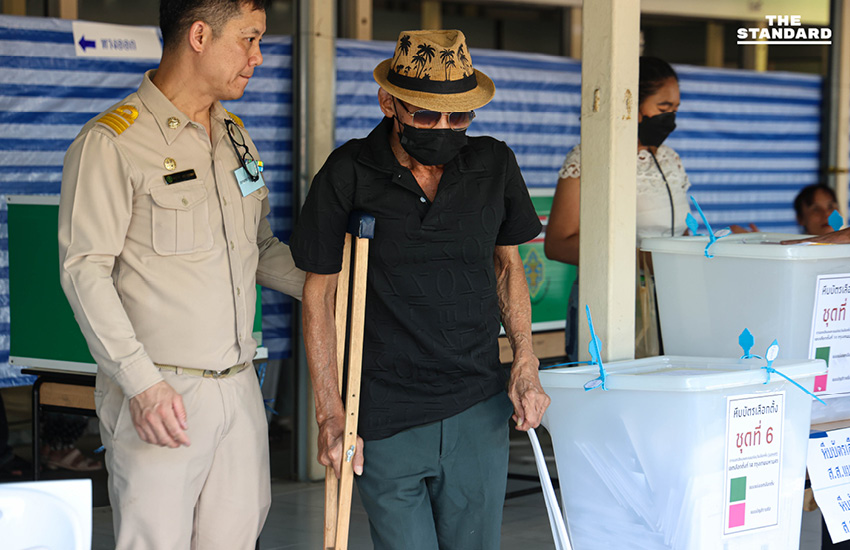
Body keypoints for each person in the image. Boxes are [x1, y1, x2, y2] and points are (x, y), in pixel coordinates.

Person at [291, 30, 550, 550]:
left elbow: (508, 267)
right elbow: (319, 296)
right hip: (385, 411)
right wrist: (330, 412)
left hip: (477, 405)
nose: (444, 129)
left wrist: (525, 360)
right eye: (427, 116)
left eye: (459, 117)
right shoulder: (348, 172)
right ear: (389, 103)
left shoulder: (494, 164)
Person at [58, 1, 304, 548]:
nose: (258, 57)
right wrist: (141, 384)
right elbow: (84, 272)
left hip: (240, 386)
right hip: (161, 392)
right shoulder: (113, 142)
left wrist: (329, 287)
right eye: (249, 39)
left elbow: (259, 247)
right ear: (199, 35)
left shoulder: (235, 137)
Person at [544, 56, 690, 359]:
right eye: (663, 108)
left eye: (675, 109)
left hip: (672, 303)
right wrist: (640, 258)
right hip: (611, 305)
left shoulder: (669, 159)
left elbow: (681, 230)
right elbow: (558, 244)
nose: (671, 118)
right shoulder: (589, 157)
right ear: (631, 103)